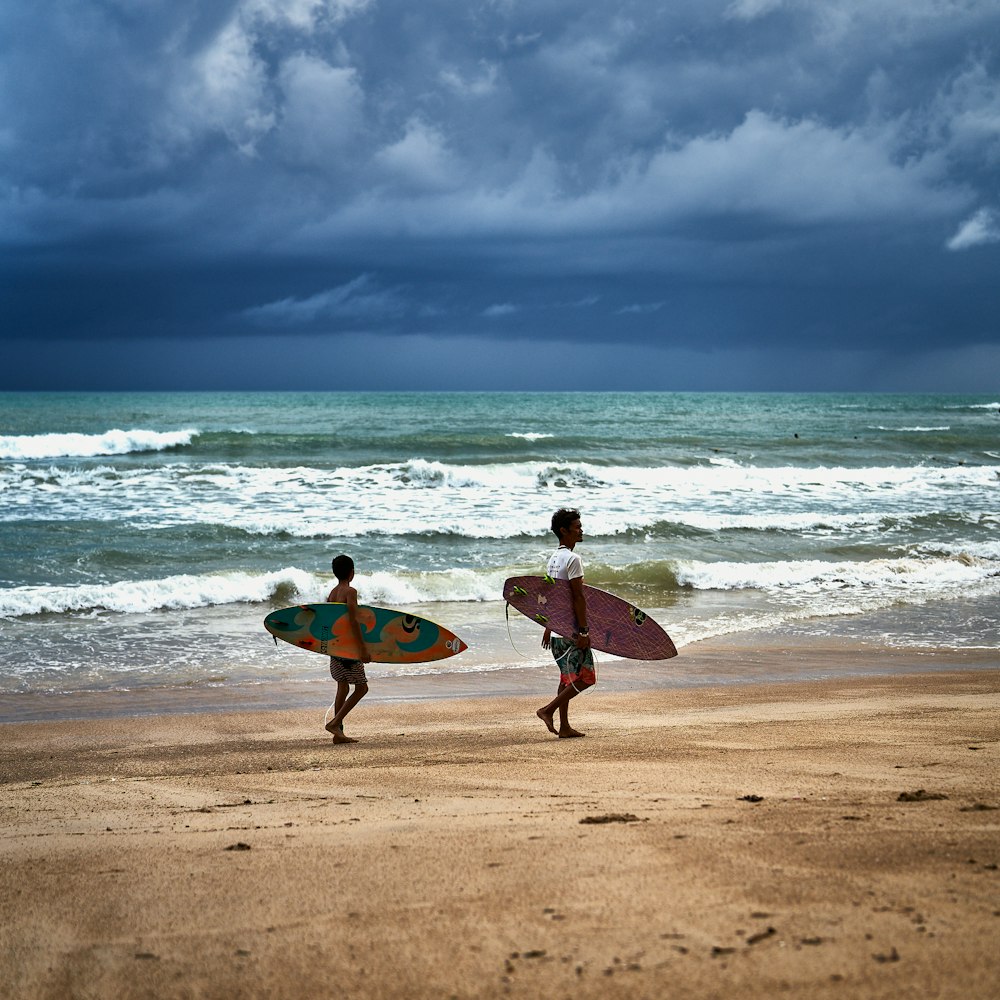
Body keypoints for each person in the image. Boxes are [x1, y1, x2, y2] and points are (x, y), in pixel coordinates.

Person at [536, 508, 595, 738]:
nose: (581, 530)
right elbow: (576, 598)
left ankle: (565, 727)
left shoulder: (553, 559)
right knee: (586, 678)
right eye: (577, 526)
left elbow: (553, 597)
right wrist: (583, 631)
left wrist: (549, 627)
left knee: (566, 679)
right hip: (571, 630)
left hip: (558, 629)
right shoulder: (573, 559)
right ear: (564, 530)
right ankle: (547, 710)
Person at [324, 554, 372, 744]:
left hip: (336, 647)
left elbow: (329, 622)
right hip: (349, 649)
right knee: (361, 688)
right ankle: (335, 723)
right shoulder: (350, 592)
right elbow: (353, 621)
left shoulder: (332, 593)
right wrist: (362, 648)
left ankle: (339, 735)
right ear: (352, 572)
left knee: (342, 686)